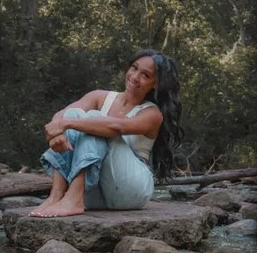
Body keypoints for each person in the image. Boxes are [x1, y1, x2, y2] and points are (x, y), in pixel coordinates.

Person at [29, 50, 181, 217]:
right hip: (96, 189)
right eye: (134, 68)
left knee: (94, 119)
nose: (135, 77)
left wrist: (66, 124)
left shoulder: (153, 114)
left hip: (130, 189)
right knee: (74, 114)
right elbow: (63, 114)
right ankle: (56, 195)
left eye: (145, 75)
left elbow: (117, 127)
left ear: (156, 84)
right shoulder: (99, 96)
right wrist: (58, 132)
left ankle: (73, 199)